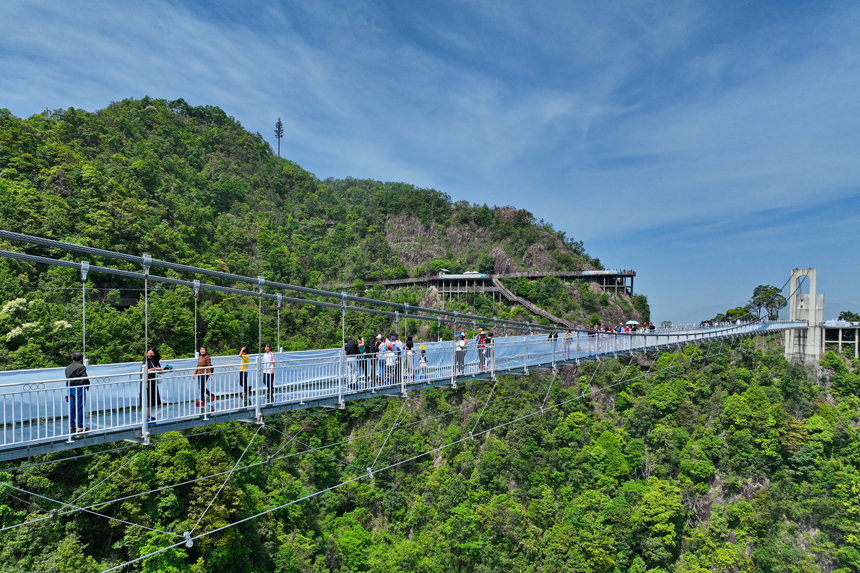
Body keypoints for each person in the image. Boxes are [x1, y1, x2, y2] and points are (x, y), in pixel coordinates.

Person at [65, 351, 90, 433]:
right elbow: (84, 378)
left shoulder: (67, 367)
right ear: (81, 358)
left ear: (72, 358)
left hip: (70, 388)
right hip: (79, 388)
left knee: (72, 408)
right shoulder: (81, 367)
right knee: (80, 408)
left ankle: (72, 426)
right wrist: (87, 385)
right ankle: (80, 427)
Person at [142, 347, 163, 422]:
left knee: (154, 402)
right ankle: (145, 419)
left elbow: (159, 371)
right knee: (148, 402)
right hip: (147, 383)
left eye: (151, 353)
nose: (149, 355)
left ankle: (147, 416)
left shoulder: (155, 361)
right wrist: (155, 369)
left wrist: (166, 370)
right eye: (148, 353)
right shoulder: (146, 362)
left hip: (153, 383)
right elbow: (144, 370)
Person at [194, 346, 214, 411]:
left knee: (202, 387)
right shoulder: (200, 357)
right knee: (200, 387)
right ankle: (207, 397)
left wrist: (208, 375)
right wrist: (195, 373)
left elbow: (209, 366)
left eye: (203, 350)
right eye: (201, 350)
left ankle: (204, 399)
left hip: (204, 373)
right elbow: (198, 366)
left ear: (205, 350)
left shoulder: (207, 358)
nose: (202, 351)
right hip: (199, 374)